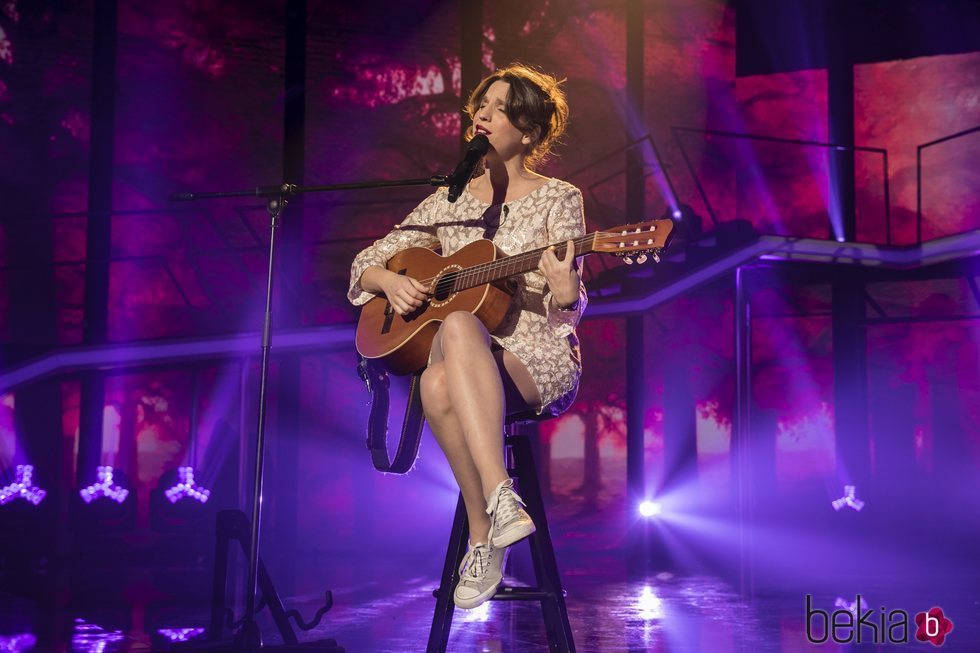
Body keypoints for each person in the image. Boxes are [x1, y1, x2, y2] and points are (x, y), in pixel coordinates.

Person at [348, 64, 587, 610]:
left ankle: (487, 519)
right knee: (436, 377)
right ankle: (494, 521)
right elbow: (367, 261)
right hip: (463, 355)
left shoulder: (559, 198)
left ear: (527, 132)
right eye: (482, 104)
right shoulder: (448, 198)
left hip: (535, 352)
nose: (482, 114)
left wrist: (565, 288)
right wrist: (388, 279)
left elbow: (568, 309)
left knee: (452, 338)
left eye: (499, 108)